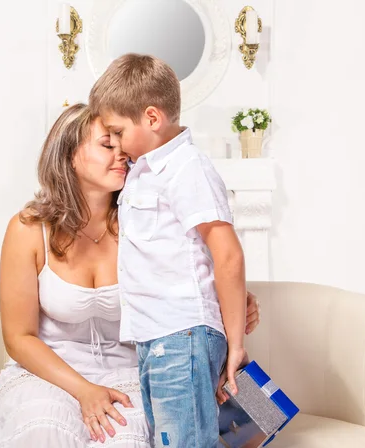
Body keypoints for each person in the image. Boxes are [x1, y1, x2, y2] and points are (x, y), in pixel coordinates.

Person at [0, 104, 261, 448]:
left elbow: (196, 281)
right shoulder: (28, 229)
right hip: (47, 374)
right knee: (45, 431)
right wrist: (84, 390)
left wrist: (235, 304)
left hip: (132, 373)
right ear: (69, 155)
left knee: (123, 439)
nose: (122, 155)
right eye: (106, 145)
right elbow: (19, 337)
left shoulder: (144, 222)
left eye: (122, 145)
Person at [90, 54, 248, 448]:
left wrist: (236, 343)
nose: (115, 143)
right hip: (155, 338)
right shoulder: (143, 173)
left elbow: (227, 255)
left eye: (118, 131)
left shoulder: (187, 167)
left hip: (181, 335)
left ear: (152, 118)